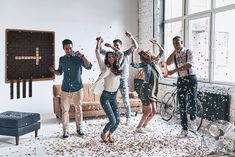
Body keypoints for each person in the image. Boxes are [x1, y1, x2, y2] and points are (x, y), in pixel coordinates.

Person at [49, 39, 92, 139]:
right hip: (65, 89)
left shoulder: (78, 58)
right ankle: (66, 131)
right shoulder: (62, 59)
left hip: (78, 88)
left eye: (70, 48)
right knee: (64, 111)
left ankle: (79, 128)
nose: (69, 50)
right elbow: (60, 72)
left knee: (78, 109)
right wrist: (54, 71)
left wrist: (82, 56)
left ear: (73, 47)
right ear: (63, 49)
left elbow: (89, 66)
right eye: (67, 48)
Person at [100, 32, 138, 126]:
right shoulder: (112, 54)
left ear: (121, 45)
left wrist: (131, 37)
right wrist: (100, 42)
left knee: (125, 99)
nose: (115, 46)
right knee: (112, 99)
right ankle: (114, 118)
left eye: (117, 45)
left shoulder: (125, 53)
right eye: (114, 45)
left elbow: (135, 46)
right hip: (113, 80)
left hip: (123, 79)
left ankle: (128, 117)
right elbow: (101, 51)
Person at [91, 37, 122, 143]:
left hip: (114, 96)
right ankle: (104, 133)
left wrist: (112, 48)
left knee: (117, 121)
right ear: (107, 59)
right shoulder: (104, 68)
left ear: (115, 58)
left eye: (112, 57)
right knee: (112, 120)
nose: (110, 58)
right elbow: (97, 52)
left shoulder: (117, 68)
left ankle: (110, 134)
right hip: (105, 97)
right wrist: (98, 42)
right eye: (108, 57)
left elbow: (121, 54)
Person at [166, 36, 198, 138]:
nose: (176, 45)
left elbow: (189, 65)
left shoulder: (188, 51)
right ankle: (184, 129)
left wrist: (174, 71)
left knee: (192, 100)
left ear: (182, 42)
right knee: (182, 104)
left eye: (178, 43)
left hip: (191, 78)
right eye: (174, 43)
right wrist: (174, 51)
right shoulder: (175, 54)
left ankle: (193, 120)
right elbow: (167, 62)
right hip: (181, 79)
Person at [131, 39, 165, 133]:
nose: (145, 56)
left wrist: (156, 43)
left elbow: (162, 52)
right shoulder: (144, 64)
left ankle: (144, 126)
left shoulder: (155, 62)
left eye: (145, 54)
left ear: (149, 54)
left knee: (154, 111)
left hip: (153, 89)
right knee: (148, 110)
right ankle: (138, 127)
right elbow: (134, 64)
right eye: (143, 55)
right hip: (146, 88)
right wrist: (133, 52)